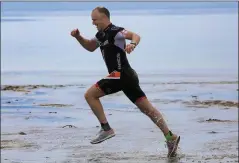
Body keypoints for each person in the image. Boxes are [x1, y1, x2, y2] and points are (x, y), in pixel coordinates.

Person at [70, 6, 180, 158]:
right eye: (92, 20)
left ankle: (106, 129)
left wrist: (133, 44)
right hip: (128, 76)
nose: (93, 23)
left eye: (95, 20)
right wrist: (78, 37)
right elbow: (90, 46)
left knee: (90, 95)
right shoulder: (101, 35)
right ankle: (170, 137)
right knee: (148, 110)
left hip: (119, 75)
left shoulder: (116, 32)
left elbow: (135, 35)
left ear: (104, 18)